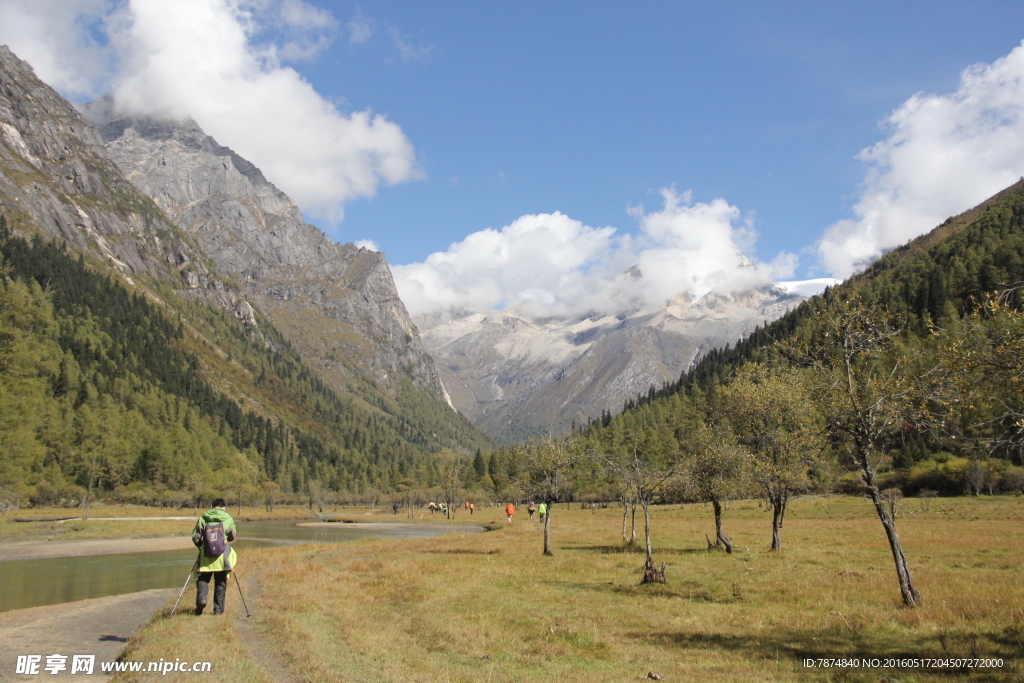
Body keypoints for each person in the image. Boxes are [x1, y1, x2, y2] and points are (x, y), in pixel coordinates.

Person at [191, 498, 237, 616]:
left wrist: (201, 546)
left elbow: (196, 537)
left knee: (203, 579)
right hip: (222, 557)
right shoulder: (228, 518)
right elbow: (232, 537)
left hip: (206, 555)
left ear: (212, 506)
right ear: (224, 507)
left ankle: (201, 600)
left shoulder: (203, 517)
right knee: (220, 583)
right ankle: (218, 611)